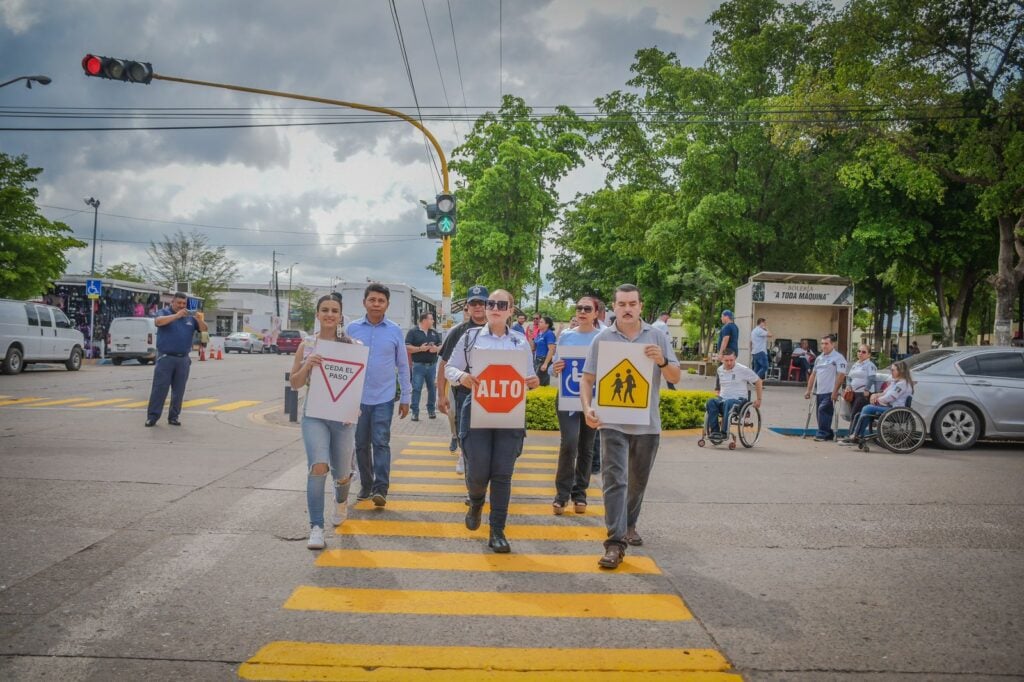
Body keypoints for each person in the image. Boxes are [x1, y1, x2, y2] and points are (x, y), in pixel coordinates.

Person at [579, 284, 681, 570]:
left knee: (637, 483)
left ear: (640, 306)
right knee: (615, 480)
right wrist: (588, 407)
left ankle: (629, 524)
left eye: (632, 303)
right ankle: (615, 543)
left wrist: (661, 360)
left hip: (647, 424)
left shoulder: (657, 336)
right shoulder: (602, 339)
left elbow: (676, 376)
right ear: (613, 307)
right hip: (612, 422)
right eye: (621, 303)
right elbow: (587, 380)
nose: (626, 308)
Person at [445, 289, 539, 553]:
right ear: (485, 309)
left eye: (502, 304)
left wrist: (533, 383)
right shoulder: (470, 337)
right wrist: (461, 377)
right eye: (491, 304)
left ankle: (497, 530)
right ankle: (475, 502)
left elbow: (530, 378)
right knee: (477, 470)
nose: (495, 308)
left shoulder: (520, 342)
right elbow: (450, 368)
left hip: (509, 413)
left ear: (511, 310)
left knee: (502, 473)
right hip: (476, 410)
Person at [289, 293, 356, 550]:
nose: (329, 314)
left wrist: (353, 410)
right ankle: (316, 527)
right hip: (314, 415)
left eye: (334, 310)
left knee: (341, 474)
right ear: (317, 314)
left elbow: (357, 382)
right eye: (325, 310)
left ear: (340, 316)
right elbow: (294, 383)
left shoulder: (350, 344)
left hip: (342, 418)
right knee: (318, 466)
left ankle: (341, 501)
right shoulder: (306, 344)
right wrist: (307, 365)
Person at [345, 283, 411, 508]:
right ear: (364, 302)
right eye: (372, 300)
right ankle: (366, 484)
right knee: (361, 443)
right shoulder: (351, 329)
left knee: (381, 442)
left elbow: (403, 365)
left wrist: (406, 397)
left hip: (384, 397)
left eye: (380, 301)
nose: (376, 304)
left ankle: (381, 488)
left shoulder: (394, 331)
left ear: (387, 305)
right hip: (356, 398)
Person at [550, 296, 601, 516]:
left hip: (593, 399)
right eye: (579, 308)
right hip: (567, 398)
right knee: (569, 443)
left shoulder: (603, 337)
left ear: (596, 313)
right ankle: (561, 495)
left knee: (587, 447)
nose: (582, 312)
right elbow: (555, 367)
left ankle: (580, 494)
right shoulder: (566, 337)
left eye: (587, 308)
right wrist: (556, 367)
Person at [437, 285, 489, 473]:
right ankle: (464, 455)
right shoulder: (458, 332)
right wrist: (440, 395)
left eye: (482, 302)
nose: (478, 307)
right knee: (462, 426)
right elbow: (443, 364)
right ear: (467, 307)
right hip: (462, 389)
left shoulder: (497, 330)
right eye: (473, 303)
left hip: (491, 391)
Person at [145, 292, 206, 427]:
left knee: (179, 391)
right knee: (159, 389)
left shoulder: (189, 318)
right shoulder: (164, 312)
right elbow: (158, 322)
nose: (181, 306)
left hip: (183, 359)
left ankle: (174, 416)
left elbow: (204, 329)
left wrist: (198, 318)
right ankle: (152, 417)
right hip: (166, 358)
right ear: (172, 302)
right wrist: (176, 316)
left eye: (184, 304)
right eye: (178, 303)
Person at [850, 360, 914, 442]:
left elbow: (890, 397)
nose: (891, 372)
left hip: (895, 410)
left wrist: (877, 400)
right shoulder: (895, 382)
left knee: (867, 409)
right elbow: (885, 392)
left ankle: (857, 434)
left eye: (893, 370)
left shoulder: (902, 384)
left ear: (900, 371)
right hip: (890, 407)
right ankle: (857, 434)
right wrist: (875, 395)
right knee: (865, 411)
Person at [705, 348, 763, 436]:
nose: (729, 363)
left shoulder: (743, 369)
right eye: (726, 360)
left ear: (735, 358)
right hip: (723, 400)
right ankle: (715, 432)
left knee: (728, 402)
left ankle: (724, 432)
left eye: (731, 360)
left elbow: (758, 381)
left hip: (738, 402)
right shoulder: (720, 370)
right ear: (722, 360)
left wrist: (759, 399)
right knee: (710, 402)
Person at [804, 333, 848, 442]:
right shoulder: (819, 358)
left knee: (823, 410)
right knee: (820, 413)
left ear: (833, 344)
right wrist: (808, 390)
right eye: (822, 343)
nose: (824, 346)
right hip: (820, 391)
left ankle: (822, 434)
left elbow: (841, 375)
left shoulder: (838, 358)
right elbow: (813, 374)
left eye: (826, 344)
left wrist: (835, 391)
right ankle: (828, 433)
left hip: (830, 390)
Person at [405, 312, 441, 422]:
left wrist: (436, 348)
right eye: (431, 319)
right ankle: (415, 412)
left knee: (432, 389)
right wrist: (420, 349)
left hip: (432, 366)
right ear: (424, 320)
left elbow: (441, 345)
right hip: (418, 366)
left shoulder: (434, 332)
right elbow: (407, 347)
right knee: (416, 389)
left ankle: (431, 410)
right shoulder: (413, 332)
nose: (433, 321)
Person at [838, 344, 877, 446]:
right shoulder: (856, 364)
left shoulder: (870, 365)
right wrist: (849, 386)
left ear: (869, 354)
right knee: (853, 414)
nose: (860, 353)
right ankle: (854, 435)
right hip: (853, 393)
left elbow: (871, 378)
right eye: (859, 351)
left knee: (856, 414)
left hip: (863, 394)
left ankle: (852, 436)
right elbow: (849, 377)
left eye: (863, 352)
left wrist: (867, 389)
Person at [532, 316, 557, 386]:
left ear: (547, 324)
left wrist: (546, 363)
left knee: (537, 382)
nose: (538, 323)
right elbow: (533, 348)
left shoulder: (549, 334)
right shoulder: (539, 334)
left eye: (541, 322)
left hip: (543, 360)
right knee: (543, 383)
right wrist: (531, 336)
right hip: (537, 360)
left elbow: (551, 350)